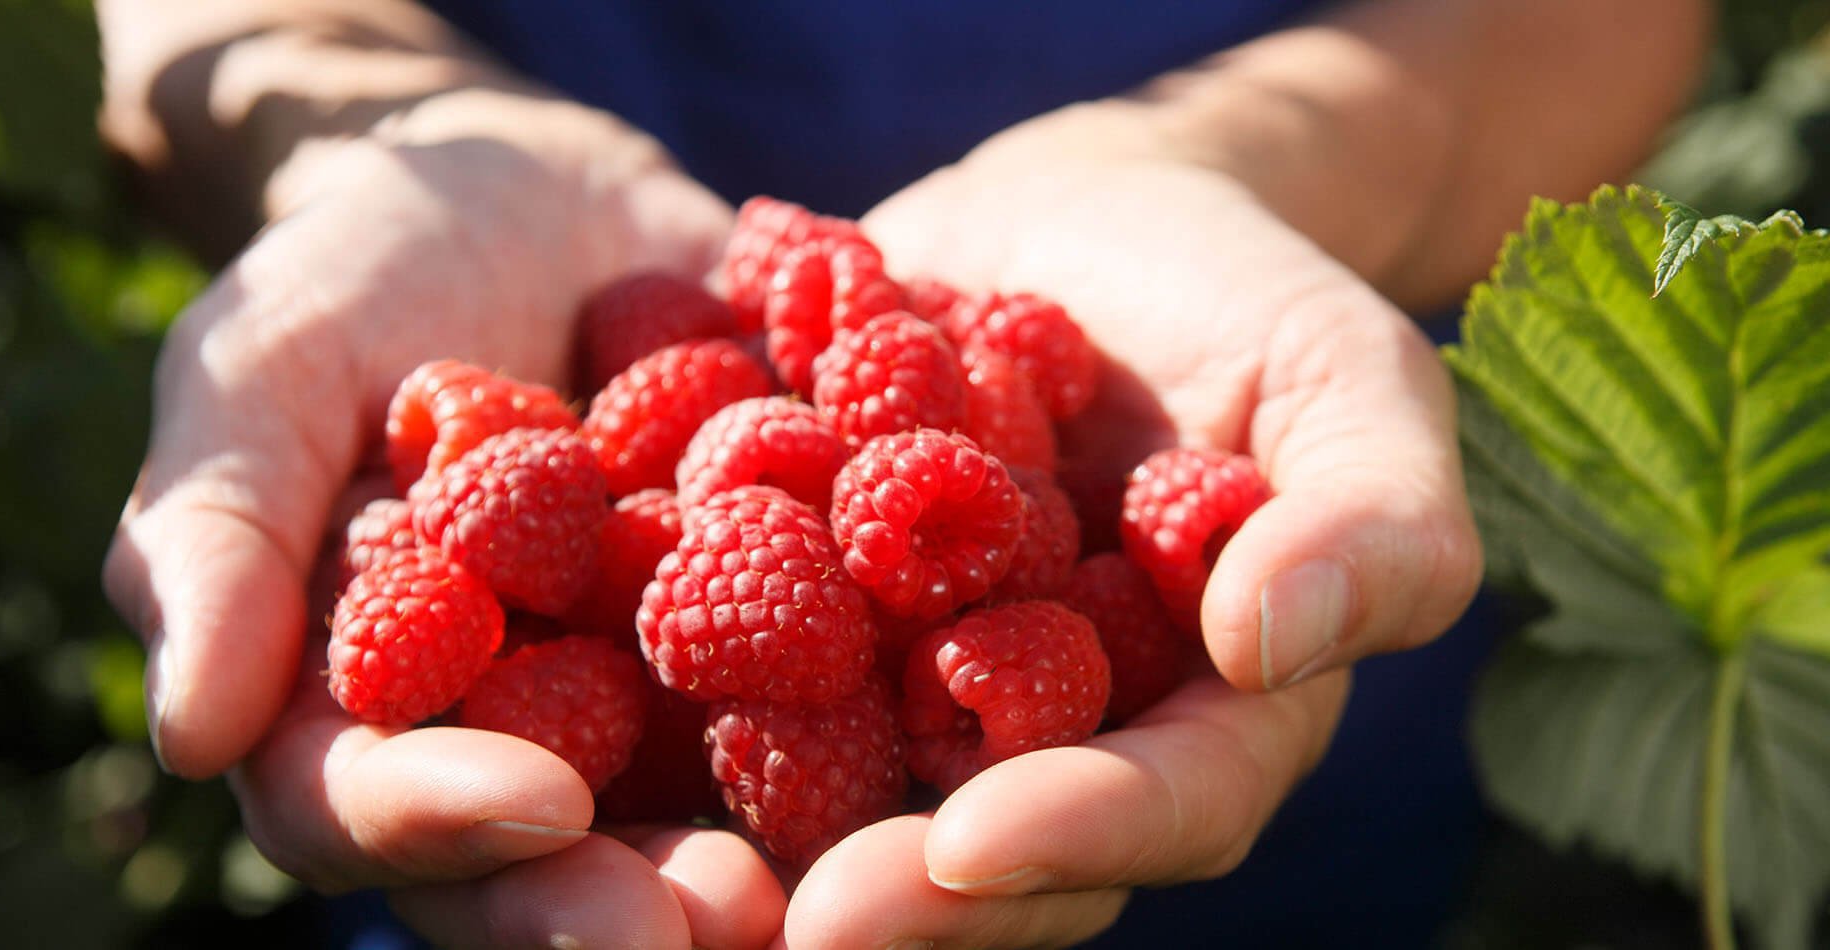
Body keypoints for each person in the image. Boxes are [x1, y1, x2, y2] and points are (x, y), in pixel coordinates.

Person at [94, 1, 1710, 946]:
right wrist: (353, 139)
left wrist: (1265, 164)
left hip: (1328, 821)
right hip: (526, 873)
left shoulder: (971, 484)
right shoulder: (643, 536)